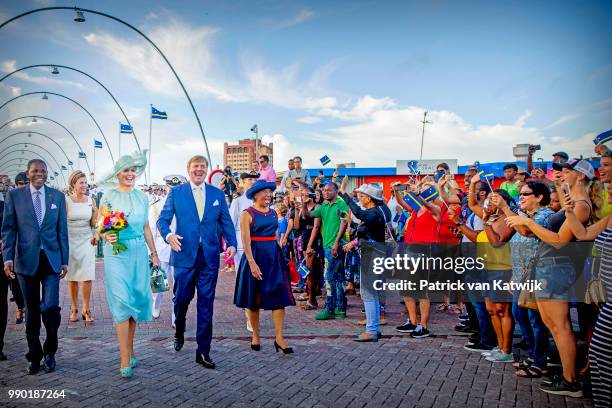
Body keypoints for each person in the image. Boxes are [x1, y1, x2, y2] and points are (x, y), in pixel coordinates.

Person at [157, 155, 237, 370]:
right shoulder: (177, 192)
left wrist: (231, 242)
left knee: (206, 304)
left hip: (209, 257)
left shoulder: (217, 194)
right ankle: (179, 330)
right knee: (181, 300)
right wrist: (168, 236)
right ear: (189, 169)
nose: (199, 170)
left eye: (203, 166)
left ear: (207, 169)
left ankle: (203, 351)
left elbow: (226, 222)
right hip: (184, 255)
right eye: (195, 167)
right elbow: (162, 220)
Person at [2, 159, 69, 375]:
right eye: (35, 171)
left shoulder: (57, 196)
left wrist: (64, 260)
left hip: (51, 260)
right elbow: (9, 229)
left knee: (50, 308)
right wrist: (7, 258)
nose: (39, 174)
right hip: (25, 261)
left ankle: (50, 351)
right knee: (31, 312)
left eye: (43, 171)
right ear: (28, 173)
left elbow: (62, 231)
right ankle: (34, 355)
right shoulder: (15, 196)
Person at [97, 151, 159, 378]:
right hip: (116, 253)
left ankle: (130, 349)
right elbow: (100, 225)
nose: (130, 173)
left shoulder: (142, 197)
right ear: (118, 173)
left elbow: (145, 229)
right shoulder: (108, 196)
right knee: (121, 301)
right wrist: (106, 235)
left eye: (133, 170)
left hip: (138, 252)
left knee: (135, 300)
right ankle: (124, 357)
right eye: (126, 170)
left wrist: (154, 253)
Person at [563, 183, 612, 407]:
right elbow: (582, 234)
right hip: (604, 298)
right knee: (600, 358)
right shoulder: (610, 219)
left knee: (603, 357)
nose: (608, 189)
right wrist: (569, 211)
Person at [234, 180, 295, 353]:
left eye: (270, 192)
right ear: (255, 195)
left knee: (279, 298)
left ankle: (280, 338)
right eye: (264, 192)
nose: (268, 195)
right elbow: (245, 241)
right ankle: (255, 336)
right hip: (254, 256)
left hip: (273, 257)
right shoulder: (247, 213)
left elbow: (275, 235)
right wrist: (252, 263)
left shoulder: (275, 213)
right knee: (253, 300)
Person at [339, 179, 391, 342]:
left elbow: (359, 213)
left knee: (368, 292)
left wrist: (344, 193)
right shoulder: (374, 214)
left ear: (369, 198)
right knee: (370, 292)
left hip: (372, 253)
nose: (359, 198)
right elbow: (364, 230)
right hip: (372, 252)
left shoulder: (373, 213)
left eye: (361, 195)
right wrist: (351, 222)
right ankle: (373, 327)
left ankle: (372, 330)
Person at [305, 181, 349, 320]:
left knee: (329, 278)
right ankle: (340, 309)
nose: (326, 192)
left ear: (336, 191)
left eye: (329, 190)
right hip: (328, 246)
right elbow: (308, 216)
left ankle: (330, 308)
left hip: (335, 246)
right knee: (337, 278)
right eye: (324, 190)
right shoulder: (323, 207)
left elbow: (344, 222)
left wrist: (336, 243)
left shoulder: (341, 204)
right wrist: (303, 203)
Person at [149, 175, 185, 322]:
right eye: (171, 187)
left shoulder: (186, 204)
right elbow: (151, 231)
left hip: (180, 249)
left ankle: (175, 316)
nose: (173, 190)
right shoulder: (156, 206)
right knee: (158, 283)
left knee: (179, 284)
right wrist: (152, 253)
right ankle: (156, 304)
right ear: (166, 188)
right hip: (161, 248)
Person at [65, 170, 98, 323]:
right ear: (74, 184)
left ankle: (86, 308)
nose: (84, 185)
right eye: (81, 182)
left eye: (85, 182)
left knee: (87, 276)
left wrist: (96, 234)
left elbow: (96, 223)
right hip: (70, 240)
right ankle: (74, 307)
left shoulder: (91, 200)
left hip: (87, 240)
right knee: (71, 276)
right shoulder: (66, 201)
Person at [8, 172, 27, 325]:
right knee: (14, 282)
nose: (23, 186)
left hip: (30, 250)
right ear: (16, 185)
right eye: (20, 184)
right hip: (14, 250)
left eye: (25, 183)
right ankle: (21, 307)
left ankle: (28, 307)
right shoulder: (12, 199)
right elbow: (8, 227)